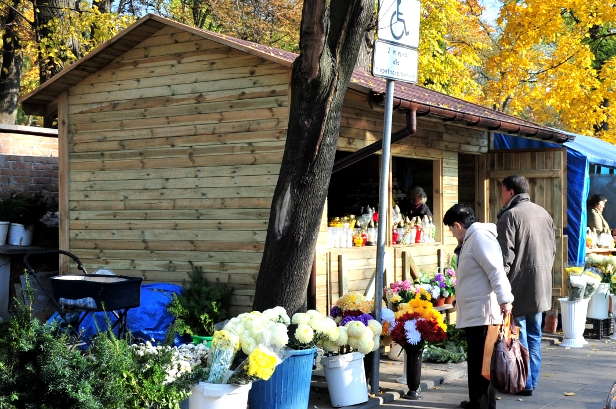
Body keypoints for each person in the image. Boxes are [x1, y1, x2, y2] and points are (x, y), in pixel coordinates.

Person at [443, 204, 513, 409]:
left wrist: (505, 300)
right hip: (475, 311)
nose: (452, 233)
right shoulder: (471, 239)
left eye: (451, 229)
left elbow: (495, 271)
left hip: (483, 313)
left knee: (482, 364)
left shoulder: (480, 238)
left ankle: (482, 405)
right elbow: (473, 276)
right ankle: (479, 402)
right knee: (479, 363)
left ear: (458, 225)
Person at [496, 175, 555, 397]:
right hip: (541, 285)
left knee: (519, 337)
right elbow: (552, 251)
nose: (501, 196)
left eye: (502, 191)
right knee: (535, 335)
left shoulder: (510, 216)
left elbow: (504, 258)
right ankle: (532, 379)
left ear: (511, 192)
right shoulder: (544, 213)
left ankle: (526, 382)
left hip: (518, 286)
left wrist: (499, 288)